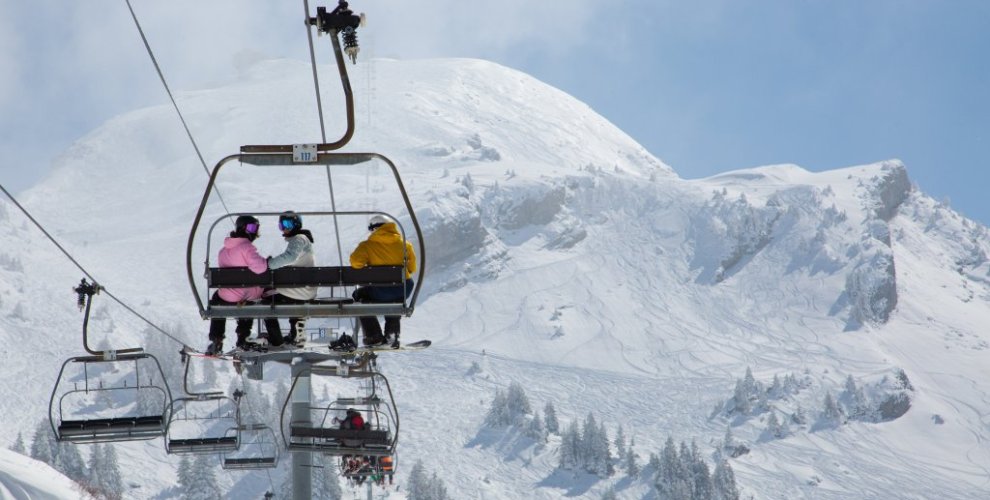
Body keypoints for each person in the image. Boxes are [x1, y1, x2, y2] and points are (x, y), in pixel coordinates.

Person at [348, 215, 416, 347]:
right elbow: (412, 268)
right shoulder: (405, 244)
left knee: (360, 297)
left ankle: (374, 336)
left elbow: (356, 263)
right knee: (395, 300)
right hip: (404, 288)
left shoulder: (367, 246)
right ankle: (392, 335)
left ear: (374, 228)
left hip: (380, 291)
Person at [207, 215, 267, 355]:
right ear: (243, 228)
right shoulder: (247, 248)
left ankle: (217, 338)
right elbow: (260, 268)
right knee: (252, 298)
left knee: (217, 299)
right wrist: (266, 261)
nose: (254, 231)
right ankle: (243, 337)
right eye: (252, 228)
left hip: (226, 296)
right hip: (246, 295)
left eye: (256, 228)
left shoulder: (223, 251)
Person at [262, 211, 316, 347]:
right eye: (281, 225)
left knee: (266, 299)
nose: (284, 228)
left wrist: (269, 264)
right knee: (284, 290)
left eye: (287, 224)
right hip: (304, 289)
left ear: (296, 224)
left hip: (300, 290)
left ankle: (276, 338)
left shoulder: (299, 238)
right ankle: (295, 332)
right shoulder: (301, 239)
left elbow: (290, 256)